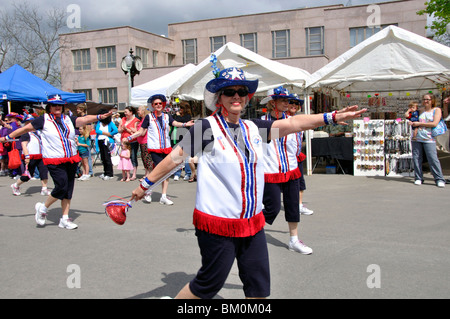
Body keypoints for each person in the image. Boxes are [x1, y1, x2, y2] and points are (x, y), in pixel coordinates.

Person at [128, 67, 366, 299]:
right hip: (218, 224)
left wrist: (331, 116)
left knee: (258, 286)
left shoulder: (254, 128)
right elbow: (174, 159)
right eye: (229, 91)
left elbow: (294, 124)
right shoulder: (207, 128)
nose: (236, 96)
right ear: (219, 98)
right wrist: (144, 185)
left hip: (252, 223)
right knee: (208, 284)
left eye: (241, 91)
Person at [0, 94, 114, 229]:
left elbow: (84, 119)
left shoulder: (68, 119)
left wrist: (99, 117)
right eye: (54, 105)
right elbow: (24, 129)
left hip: (71, 158)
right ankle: (43, 207)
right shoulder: (43, 120)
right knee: (61, 186)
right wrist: (7, 137)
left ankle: (65, 218)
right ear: (49, 107)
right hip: (54, 159)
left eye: (59, 104)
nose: (57, 107)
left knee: (68, 190)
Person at [260, 87, 312, 254]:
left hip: (291, 169)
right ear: (272, 102)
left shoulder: (293, 122)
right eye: (282, 100)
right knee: (272, 208)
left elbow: (297, 146)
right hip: (269, 171)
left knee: (292, 206)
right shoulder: (261, 122)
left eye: (287, 101)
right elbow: (257, 148)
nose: (286, 103)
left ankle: (294, 239)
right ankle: (251, 229)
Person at [125, 94, 194, 205]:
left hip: (166, 148)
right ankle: (148, 191)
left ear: (163, 105)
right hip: (154, 149)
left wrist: (185, 124)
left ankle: (163, 195)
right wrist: (129, 137)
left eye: (160, 103)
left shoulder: (167, 116)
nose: (158, 105)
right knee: (158, 171)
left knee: (166, 172)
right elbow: (141, 131)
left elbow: (174, 123)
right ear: (152, 105)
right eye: (155, 104)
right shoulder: (149, 117)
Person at [410, 94, 446, 188]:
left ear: (432, 100)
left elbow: (434, 123)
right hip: (417, 137)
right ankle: (418, 177)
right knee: (417, 158)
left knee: (433, 159)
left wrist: (420, 123)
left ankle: (439, 179)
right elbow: (410, 116)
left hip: (429, 138)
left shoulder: (436, 110)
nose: (425, 101)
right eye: (424, 99)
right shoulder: (420, 110)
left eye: (427, 99)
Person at [10, 113, 51, 196]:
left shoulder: (39, 132)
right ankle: (16, 185)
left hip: (41, 155)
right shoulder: (25, 133)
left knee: (44, 172)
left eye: (32, 121)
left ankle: (44, 188)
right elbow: (24, 145)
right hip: (31, 156)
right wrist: (27, 156)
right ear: (25, 123)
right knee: (28, 175)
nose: (31, 123)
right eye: (28, 122)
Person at [287, 93, 313, 216]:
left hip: (297, 156)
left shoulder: (299, 119)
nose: (293, 105)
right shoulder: (281, 120)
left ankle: (298, 205)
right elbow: (270, 141)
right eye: (291, 102)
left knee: (300, 184)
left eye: (296, 103)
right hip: (283, 158)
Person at [171, 102, 193, 181]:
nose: (179, 110)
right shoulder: (176, 115)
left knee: (186, 157)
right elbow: (172, 121)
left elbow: (181, 121)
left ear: (185, 109)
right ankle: (177, 173)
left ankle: (188, 173)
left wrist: (177, 116)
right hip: (176, 139)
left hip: (185, 138)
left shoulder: (188, 116)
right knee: (177, 156)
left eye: (181, 108)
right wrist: (175, 115)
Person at [95, 109, 119, 181]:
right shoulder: (99, 122)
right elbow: (97, 130)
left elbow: (116, 130)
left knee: (107, 157)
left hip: (107, 141)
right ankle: (105, 172)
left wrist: (110, 134)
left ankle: (109, 173)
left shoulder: (110, 123)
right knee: (103, 158)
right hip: (100, 140)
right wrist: (106, 133)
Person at [118, 106, 140, 181]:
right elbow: (119, 130)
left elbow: (137, 132)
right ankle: (127, 175)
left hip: (133, 141)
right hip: (124, 142)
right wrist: (122, 129)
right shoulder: (123, 119)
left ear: (131, 112)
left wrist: (127, 129)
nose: (125, 113)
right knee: (124, 157)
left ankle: (134, 174)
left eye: (126, 112)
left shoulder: (136, 120)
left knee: (133, 157)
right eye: (124, 112)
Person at [76, 104, 93, 177]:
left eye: (78, 109)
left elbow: (89, 128)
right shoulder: (79, 118)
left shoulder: (86, 118)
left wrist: (85, 136)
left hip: (85, 138)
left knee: (87, 157)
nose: (77, 110)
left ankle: (89, 172)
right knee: (83, 159)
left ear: (82, 109)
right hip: (80, 137)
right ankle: (85, 172)